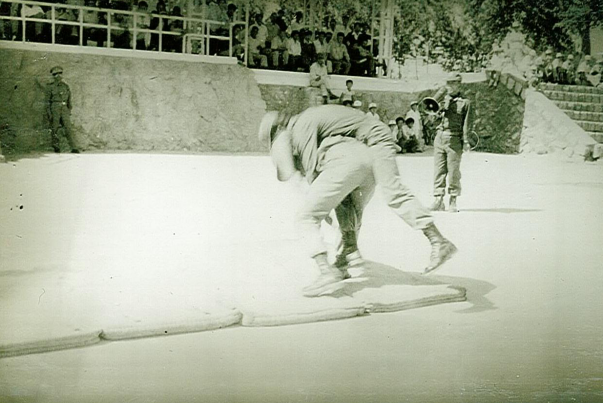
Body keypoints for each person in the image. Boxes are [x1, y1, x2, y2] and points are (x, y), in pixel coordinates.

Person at [258, 110, 376, 297]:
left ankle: (326, 272)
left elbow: (293, 173)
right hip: (369, 163)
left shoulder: (287, 135)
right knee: (351, 211)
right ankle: (344, 261)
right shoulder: (319, 126)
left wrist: (319, 204)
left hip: (343, 165)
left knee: (305, 218)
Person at [430, 73, 471, 213]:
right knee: (439, 170)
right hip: (440, 136)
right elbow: (432, 120)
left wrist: (465, 140)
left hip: (454, 138)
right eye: (448, 83)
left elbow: (467, 123)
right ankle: (438, 199)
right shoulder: (443, 100)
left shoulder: (465, 102)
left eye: (452, 83)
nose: (449, 86)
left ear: (458, 84)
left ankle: (453, 199)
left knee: (453, 171)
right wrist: (437, 112)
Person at [45, 66, 79, 154]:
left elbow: (69, 99)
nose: (58, 76)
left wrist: (69, 109)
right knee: (55, 128)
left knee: (68, 128)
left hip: (64, 108)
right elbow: (47, 101)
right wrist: (49, 113)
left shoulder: (65, 86)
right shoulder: (50, 87)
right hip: (55, 108)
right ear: (53, 76)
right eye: (56, 74)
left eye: (60, 73)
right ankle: (56, 146)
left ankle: (73, 147)